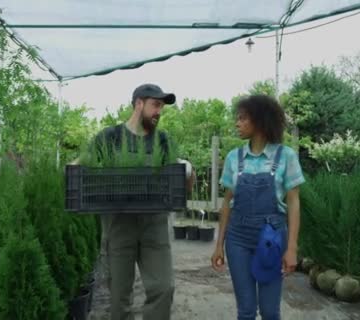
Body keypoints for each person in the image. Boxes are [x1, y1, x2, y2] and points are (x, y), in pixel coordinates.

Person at [90, 84, 194, 320]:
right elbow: (86, 166)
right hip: (118, 225)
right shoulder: (109, 137)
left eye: (162, 107)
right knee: (119, 296)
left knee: (164, 288)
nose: (160, 111)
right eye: (156, 105)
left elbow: (181, 187)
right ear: (139, 104)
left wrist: (189, 172)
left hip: (154, 225)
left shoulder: (164, 141)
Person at [211, 95, 305, 320]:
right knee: (246, 310)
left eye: (243, 118)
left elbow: (293, 203)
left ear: (260, 121)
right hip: (238, 239)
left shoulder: (286, 156)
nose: (237, 123)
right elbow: (227, 204)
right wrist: (219, 245)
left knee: (271, 311)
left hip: (271, 239)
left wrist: (291, 248)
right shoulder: (235, 158)